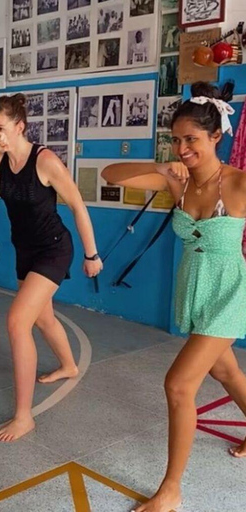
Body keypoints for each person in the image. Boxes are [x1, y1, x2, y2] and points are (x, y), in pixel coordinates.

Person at [102, 83, 246, 512]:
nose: (183, 148)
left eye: (192, 140)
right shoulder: (175, 181)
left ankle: (171, 490)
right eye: (177, 139)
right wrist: (164, 167)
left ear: (216, 137)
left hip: (229, 293)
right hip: (194, 289)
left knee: (179, 386)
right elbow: (112, 174)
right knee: (226, 373)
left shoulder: (238, 184)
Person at [0, 93, 102, 443]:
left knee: (17, 322)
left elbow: (78, 206)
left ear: (20, 127)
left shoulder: (45, 161)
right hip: (25, 250)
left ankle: (23, 416)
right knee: (43, 318)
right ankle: (69, 366)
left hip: (54, 249)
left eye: (1, 128)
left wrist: (92, 255)